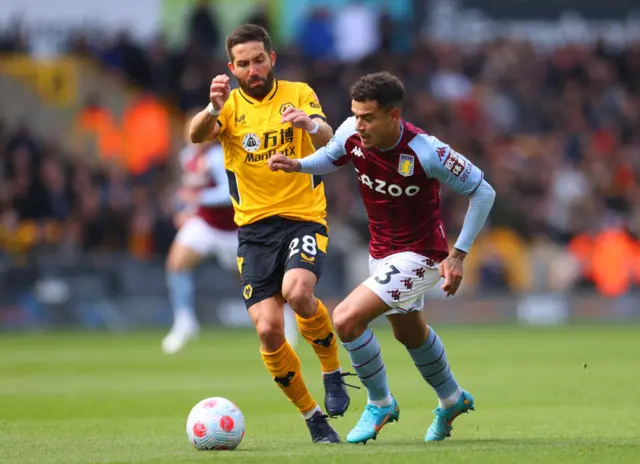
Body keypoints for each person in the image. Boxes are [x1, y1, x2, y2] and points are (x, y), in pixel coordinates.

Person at [268, 71, 496, 444]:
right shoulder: (351, 131)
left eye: (367, 117)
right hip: (383, 253)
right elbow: (331, 156)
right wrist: (299, 165)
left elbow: (483, 192)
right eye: (355, 115)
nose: (359, 125)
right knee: (411, 333)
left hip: (421, 255)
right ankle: (452, 398)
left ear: (393, 115)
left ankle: (380, 403)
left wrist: (457, 256)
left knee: (346, 319)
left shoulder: (427, 150)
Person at [189, 24, 350, 443]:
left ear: (271, 59)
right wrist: (211, 108)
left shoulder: (298, 92)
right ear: (232, 67)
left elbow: (330, 138)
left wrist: (308, 125)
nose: (253, 68)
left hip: (302, 216)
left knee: (298, 293)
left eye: (259, 59)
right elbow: (194, 136)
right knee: (267, 331)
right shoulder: (226, 107)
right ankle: (313, 417)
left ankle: (332, 370)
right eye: (243, 63)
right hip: (254, 232)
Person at [162, 120, 300, 354]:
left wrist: (196, 201)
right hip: (205, 224)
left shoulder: (220, 155)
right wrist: (185, 211)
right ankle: (184, 322)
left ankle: (285, 320)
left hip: (235, 228)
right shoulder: (188, 156)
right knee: (176, 264)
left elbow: (227, 193)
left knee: (258, 281)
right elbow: (187, 190)